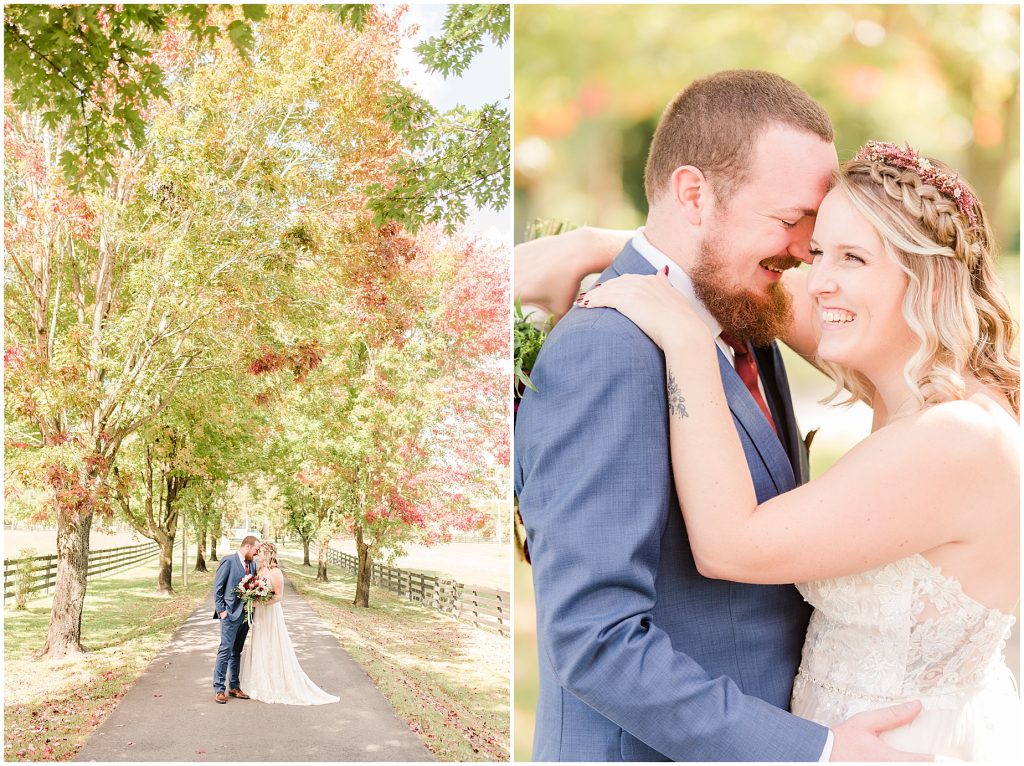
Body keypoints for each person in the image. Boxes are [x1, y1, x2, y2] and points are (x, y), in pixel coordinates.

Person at [515, 70, 931, 761]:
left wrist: (594, 241)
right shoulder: (606, 348)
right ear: (693, 194)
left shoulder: (742, 308)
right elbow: (594, 641)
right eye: (792, 219)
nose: (805, 250)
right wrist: (816, 752)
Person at [574, 142, 1019, 760]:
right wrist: (596, 245)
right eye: (815, 254)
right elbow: (750, 285)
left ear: (929, 278)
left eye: (854, 258)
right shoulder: (913, 377)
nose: (820, 283)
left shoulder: (956, 439)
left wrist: (686, 340)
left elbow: (729, 544)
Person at [239, 541, 339, 705]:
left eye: (261, 552)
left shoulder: (276, 572)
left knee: (272, 644)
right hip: (260, 614)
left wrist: (260, 602)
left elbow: (278, 596)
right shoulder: (260, 569)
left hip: (270, 612)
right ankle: (259, 681)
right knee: (260, 643)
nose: (258, 554)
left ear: (269, 553)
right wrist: (253, 597)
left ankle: (275, 683)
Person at [212, 535, 260, 703]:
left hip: (245, 616)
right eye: (256, 550)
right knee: (225, 650)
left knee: (236, 652)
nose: (257, 553)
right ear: (247, 546)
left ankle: (234, 686)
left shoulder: (253, 564)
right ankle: (219, 688)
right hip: (229, 614)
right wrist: (222, 611)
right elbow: (218, 588)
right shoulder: (229, 561)